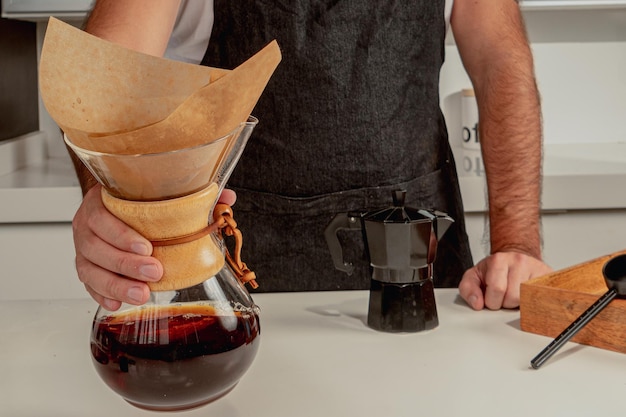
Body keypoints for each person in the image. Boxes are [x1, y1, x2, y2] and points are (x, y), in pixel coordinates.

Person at [68, 0, 553, 313]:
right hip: (237, 285)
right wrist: (106, 201)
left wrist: (517, 247)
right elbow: (107, 79)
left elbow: (500, 66)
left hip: (426, 279)